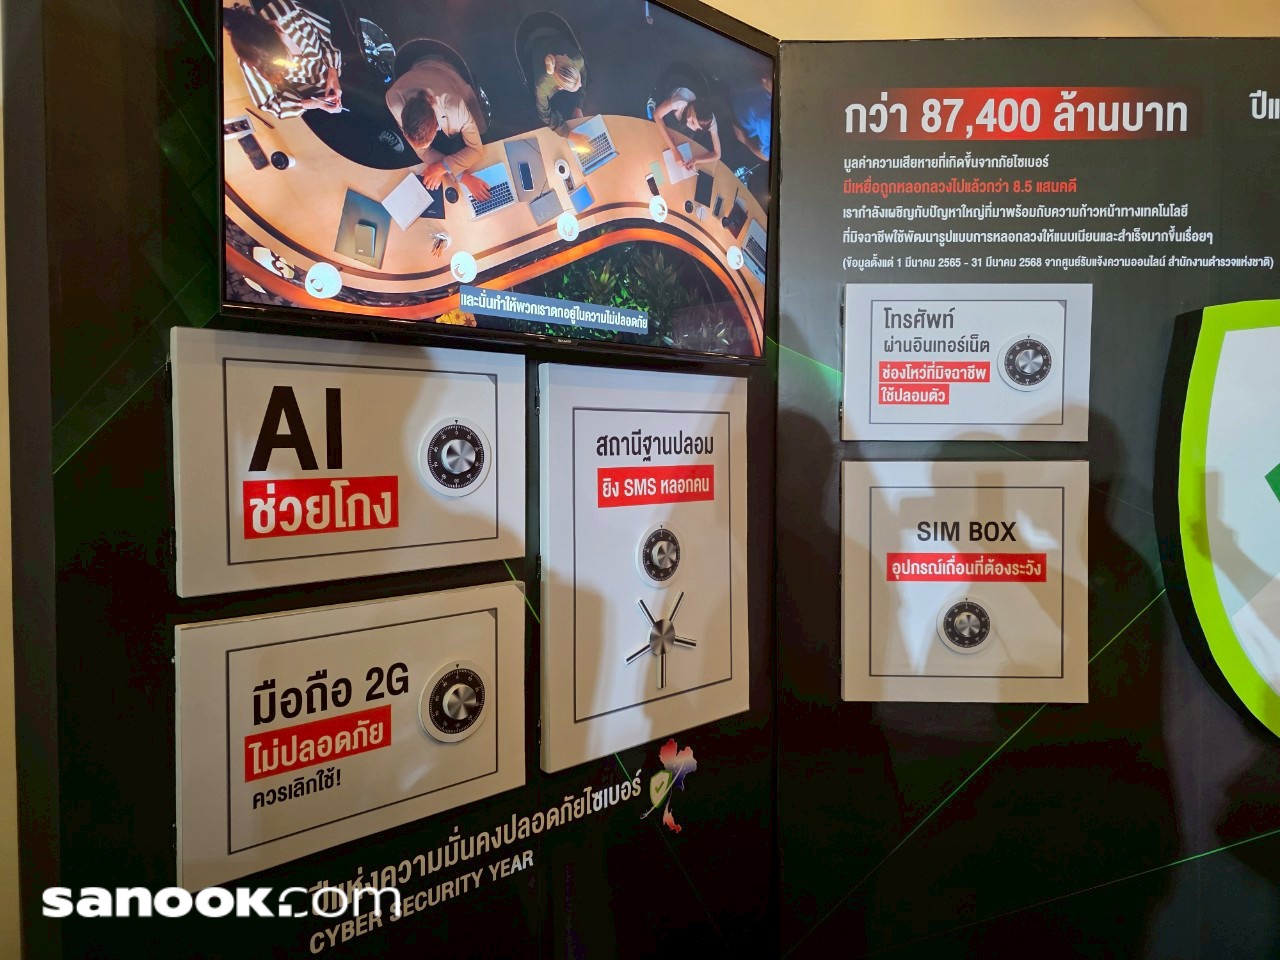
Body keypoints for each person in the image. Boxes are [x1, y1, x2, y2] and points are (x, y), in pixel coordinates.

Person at [385, 56, 490, 200]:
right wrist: (461, 176)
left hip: (451, 75)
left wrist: (441, 168)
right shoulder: (394, 101)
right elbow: (422, 151)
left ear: (436, 127)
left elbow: (476, 150)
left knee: (483, 130)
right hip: (421, 65)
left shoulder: (456, 109)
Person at [224, 1, 343, 119]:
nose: (287, 61)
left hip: (346, 59)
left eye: (282, 55)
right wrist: (315, 103)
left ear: (274, 28)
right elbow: (268, 103)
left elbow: (329, 36)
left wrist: (333, 70)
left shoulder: (288, 11)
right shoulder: (251, 60)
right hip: (319, 94)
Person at [526, 29, 590, 152]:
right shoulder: (543, 86)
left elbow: (584, 76)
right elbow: (545, 115)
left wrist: (578, 105)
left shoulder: (577, 60)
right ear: (559, 88)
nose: (581, 84)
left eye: (579, 80)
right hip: (534, 44)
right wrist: (571, 135)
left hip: (552, 35)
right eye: (577, 85)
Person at [652, 84, 721, 170]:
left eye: (693, 122)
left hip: (682, 128)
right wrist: (674, 151)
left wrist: (696, 160)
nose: (688, 119)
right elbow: (657, 115)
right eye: (690, 113)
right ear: (693, 104)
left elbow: (717, 155)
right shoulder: (681, 100)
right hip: (671, 114)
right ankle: (653, 99)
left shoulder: (709, 121)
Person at [732, 74, 772, 162]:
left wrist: (745, 140)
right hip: (736, 100)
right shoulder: (768, 88)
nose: (764, 79)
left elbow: (766, 155)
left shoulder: (767, 120)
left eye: (770, 79)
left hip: (737, 126)